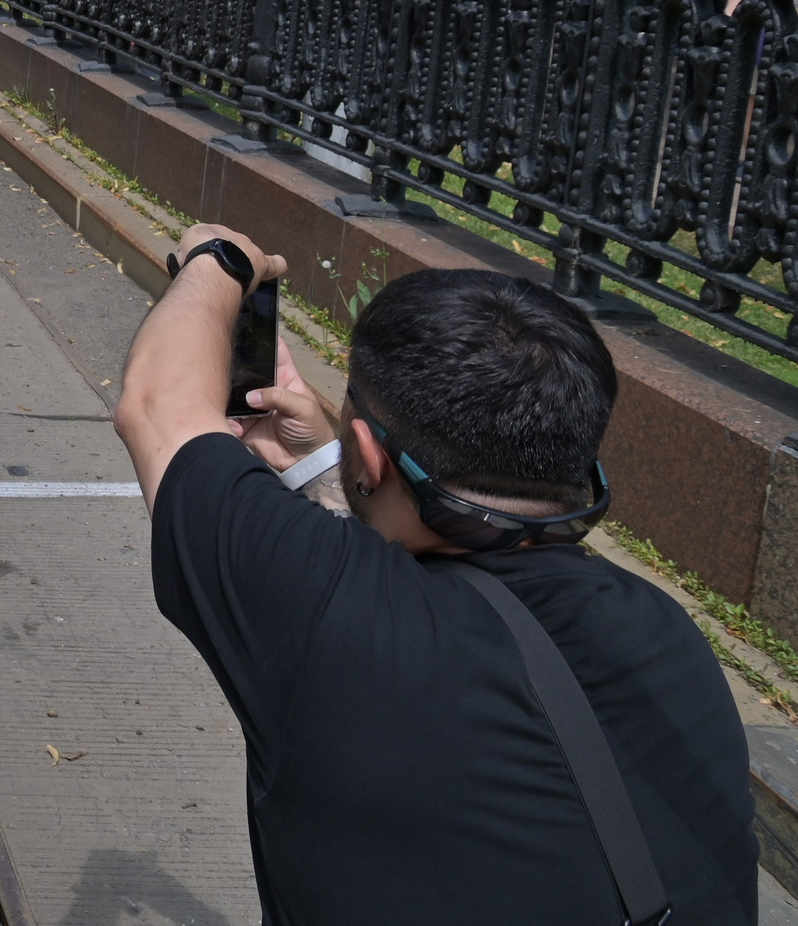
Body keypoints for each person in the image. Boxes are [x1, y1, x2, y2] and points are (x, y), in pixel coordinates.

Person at [114, 227, 755, 924]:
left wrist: (221, 260)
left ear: (367, 453)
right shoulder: (667, 631)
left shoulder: (327, 614)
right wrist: (328, 470)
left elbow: (158, 405)